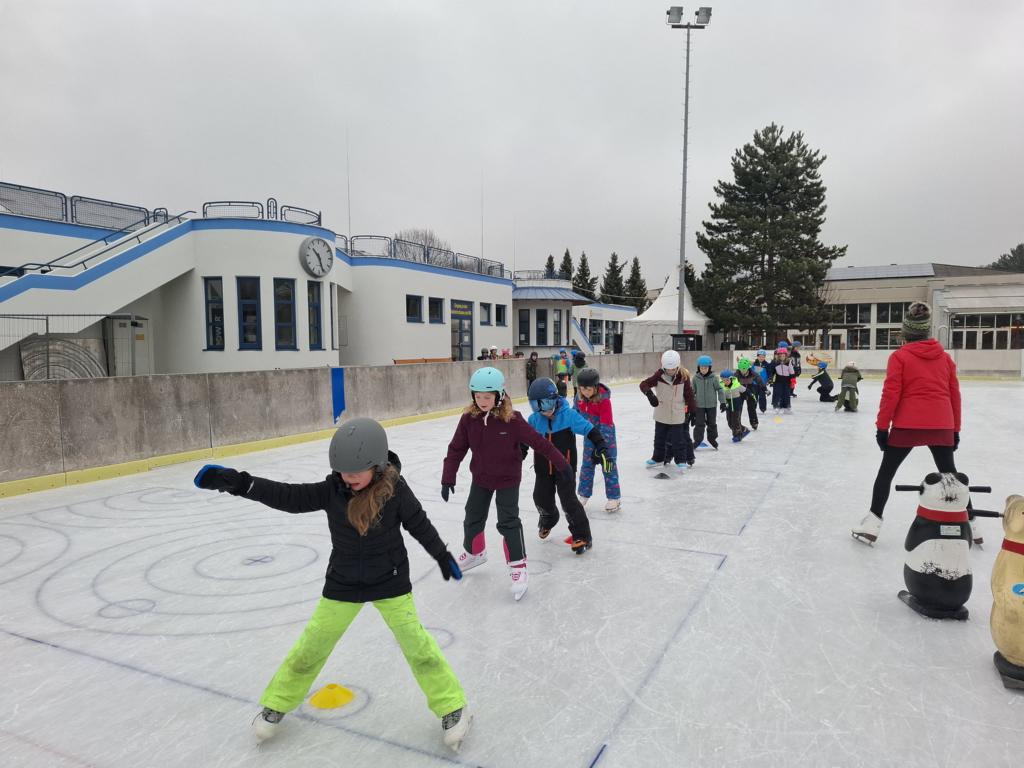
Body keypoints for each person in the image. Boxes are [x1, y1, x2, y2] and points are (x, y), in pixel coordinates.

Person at [192, 418, 471, 752]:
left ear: (377, 465)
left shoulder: (395, 491)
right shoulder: (332, 490)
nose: (347, 477)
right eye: (342, 470)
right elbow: (289, 497)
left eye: (355, 471)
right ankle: (277, 703)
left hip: (390, 580)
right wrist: (241, 484)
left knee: (418, 647)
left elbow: (419, 524)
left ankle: (452, 705)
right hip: (344, 582)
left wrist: (441, 554)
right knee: (310, 647)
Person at [441, 367, 574, 601]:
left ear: (499, 395)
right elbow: (456, 449)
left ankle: (518, 566)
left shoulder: (513, 420)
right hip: (481, 478)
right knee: (472, 514)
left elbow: (540, 444)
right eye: (478, 396)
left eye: (487, 396)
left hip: (507, 479)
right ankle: (474, 552)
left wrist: (562, 465)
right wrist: (448, 477)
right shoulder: (469, 420)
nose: (482, 401)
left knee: (508, 522)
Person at [852, 302, 970, 545]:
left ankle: (872, 525)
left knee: (886, 474)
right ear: (927, 332)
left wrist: (882, 428)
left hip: (908, 425)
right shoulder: (945, 358)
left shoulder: (900, 356)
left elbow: (891, 394)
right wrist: (955, 430)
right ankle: (972, 525)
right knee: (952, 477)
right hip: (941, 424)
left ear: (906, 332)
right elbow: (954, 396)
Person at [526, 377, 612, 553]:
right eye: (536, 405)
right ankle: (549, 518)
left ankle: (582, 536)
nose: (542, 410)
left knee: (569, 501)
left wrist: (602, 446)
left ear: (555, 399)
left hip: (564, 469)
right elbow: (523, 439)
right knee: (540, 498)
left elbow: (590, 429)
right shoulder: (534, 419)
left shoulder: (569, 416)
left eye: (545, 403)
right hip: (542, 468)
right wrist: (518, 452)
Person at [639, 350, 697, 471]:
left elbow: (689, 395)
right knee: (659, 439)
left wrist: (693, 411)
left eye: (673, 369)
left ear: (678, 366)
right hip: (662, 413)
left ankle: (681, 460)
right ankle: (658, 458)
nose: (670, 371)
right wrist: (650, 395)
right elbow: (643, 384)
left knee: (678, 440)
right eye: (668, 369)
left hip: (677, 413)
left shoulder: (683, 377)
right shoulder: (658, 376)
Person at [574, 367, 621, 512]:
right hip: (589, 438)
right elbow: (574, 415)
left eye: (588, 389)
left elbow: (607, 425)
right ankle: (583, 495)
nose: (585, 392)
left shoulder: (604, 401)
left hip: (606, 439)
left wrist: (602, 447)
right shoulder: (579, 399)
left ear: (595, 387)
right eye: (582, 389)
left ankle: (614, 498)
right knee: (587, 466)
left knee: (608, 466)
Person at [691, 354, 724, 449]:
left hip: (711, 405)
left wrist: (723, 402)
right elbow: (692, 392)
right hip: (699, 406)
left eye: (705, 368)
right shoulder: (695, 378)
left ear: (709, 368)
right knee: (699, 424)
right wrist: (690, 405)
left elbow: (720, 389)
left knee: (712, 423)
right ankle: (697, 440)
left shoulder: (714, 378)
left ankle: (712, 439)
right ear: (698, 368)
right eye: (701, 368)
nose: (703, 370)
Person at [719, 369, 750, 442]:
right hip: (728, 406)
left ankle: (737, 435)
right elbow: (721, 396)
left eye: (727, 380)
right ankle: (744, 429)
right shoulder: (721, 387)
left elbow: (745, 390)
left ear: (731, 379)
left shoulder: (736, 385)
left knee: (735, 422)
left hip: (737, 406)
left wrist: (751, 394)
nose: (725, 382)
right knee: (730, 423)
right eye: (723, 380)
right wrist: (723, 404)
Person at [734, 357, 764, 430]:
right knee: (738, 408)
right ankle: (737, 422)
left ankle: (754, 422)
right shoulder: (736, 374)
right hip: (740, 392)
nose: (743, 371)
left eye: (744, 369)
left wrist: (764, 388)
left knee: (751, 407)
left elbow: (759, 380)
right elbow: (733, 383)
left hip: (750, 391)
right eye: (741, 369)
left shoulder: (753, 373)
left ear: (748, 368)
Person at [768, 347, 794, 413]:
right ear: (778, 356)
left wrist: (792, 380)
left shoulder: (788, 362)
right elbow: (772, 371)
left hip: (787, 380)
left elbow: (791, 371)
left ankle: (786, 407)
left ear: (786, 356)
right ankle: (776, 406)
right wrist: (770, 379)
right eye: (780, 356)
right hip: (778, 380)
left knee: (786, 394)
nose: (782, 357)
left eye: (783, 356)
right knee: (777, 393)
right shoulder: (775, 362)